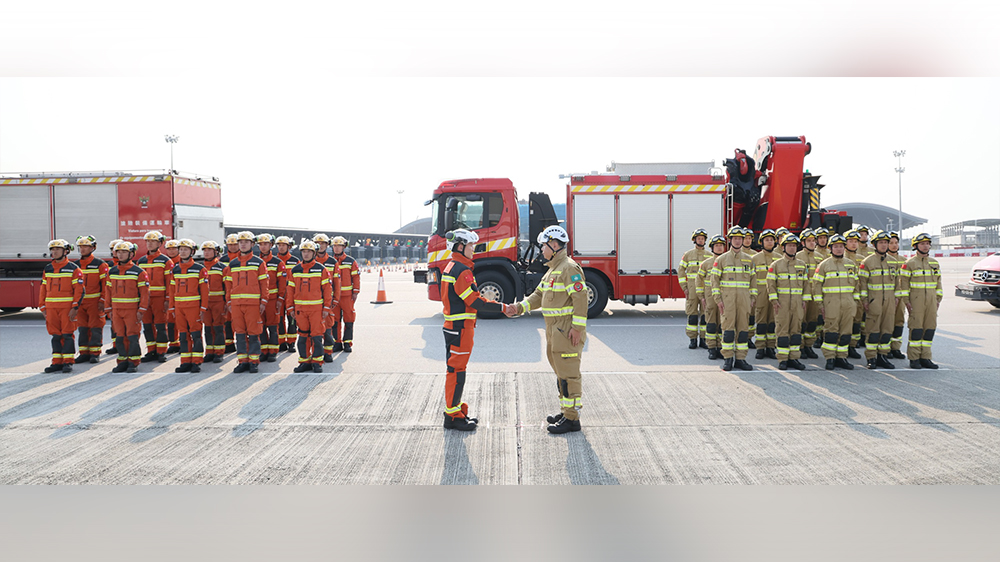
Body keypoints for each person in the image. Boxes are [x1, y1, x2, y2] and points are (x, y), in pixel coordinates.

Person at [508, 225, 588, 434]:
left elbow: (581, 299)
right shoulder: (553, 270)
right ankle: (566, 411)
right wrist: (518, 308)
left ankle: (572, 419)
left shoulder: (569, 268)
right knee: (561, 373)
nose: (541, 250)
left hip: (566, 330)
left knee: (569, 375)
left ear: (554, 245)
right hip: (554, 331)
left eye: (543, 245)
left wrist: (578, 328)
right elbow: (538, 296)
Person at [438, 229, 505, 431]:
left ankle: (456, 410)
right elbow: (476, 302)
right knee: (456, 371)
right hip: (461, 329)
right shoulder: (462, 271)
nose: (473, 250)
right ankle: (452, 416)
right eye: (470, 246)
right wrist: (503, 308)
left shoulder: (451, 266)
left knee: (455, 369)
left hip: (453, 328)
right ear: (460, 246)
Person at [223, 231, 269, 373]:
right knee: (240, 333)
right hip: (236, 304)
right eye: (240, 242)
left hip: (253, 304)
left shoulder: (259, 262)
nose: (242, 244)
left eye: (246, 242)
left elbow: (264, 284)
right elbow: (228, 285)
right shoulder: (233, 263)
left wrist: (263, 301)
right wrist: (229, 302)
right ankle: (242, 361)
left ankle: (254, 361)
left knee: (254, 333)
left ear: (252, 244)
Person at [286, 240, 335, 372]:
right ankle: (304, 362)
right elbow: (290, 290)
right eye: (303, 251)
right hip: (300, 311)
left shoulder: (321, 269)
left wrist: (326, 308)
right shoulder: (295, 270)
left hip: (316, 310)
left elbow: (327, 290)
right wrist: (290, 307)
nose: (306, 254)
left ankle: (317, 362)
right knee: (302, 337)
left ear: (314, 253)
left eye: (308, 252)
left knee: (317, 337)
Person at [812, 234, 859, 370]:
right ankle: (830, 358)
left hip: (848, 304)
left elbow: (856, 285)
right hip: (831, 304)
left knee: (845, 332)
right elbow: (816, 285)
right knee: (831, 331)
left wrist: (855, 302)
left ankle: (841, 357)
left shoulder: (851, 265)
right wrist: (820, 304)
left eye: (841, 246)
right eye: (836, 246)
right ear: (830, 248)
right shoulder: (824, 265)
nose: (839, 249)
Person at [711, 226, 754, 371]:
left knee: (743, 331)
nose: (737, 241)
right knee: (728, 331)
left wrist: (752, 298)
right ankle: (728, 359)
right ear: (730, 240)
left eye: (739, 238)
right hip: (727, 301)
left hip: (744, 301)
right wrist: (718, 300)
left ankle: (740, 359)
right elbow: (714, 281)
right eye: (734, 238)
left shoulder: (749, 260)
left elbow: (753, 281)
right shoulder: (721, 259)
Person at [896, 232, 942, 369]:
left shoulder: (934, 263)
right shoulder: (909, 264)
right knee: (916, 329)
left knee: (929, 329)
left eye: (927, 244)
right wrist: (907, 301)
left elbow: (938, 283)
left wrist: (938, 299)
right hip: (915, 301)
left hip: (932, 302)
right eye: (922, 244)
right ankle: (914, 358)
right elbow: (903, 284)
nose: (925, 246)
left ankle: (926, 357)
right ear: (915, 246)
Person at [39, 239, 85, 373]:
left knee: (67, 335)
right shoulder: (48, 268)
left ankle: (68, 362)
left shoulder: (74, 269)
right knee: (55, 336)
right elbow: (43, 288)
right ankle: (56, 362)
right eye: (52, 250)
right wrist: (42, 307)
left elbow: (79, 290)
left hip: (67, 308)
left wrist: (75, 307)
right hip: (51, 308)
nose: (54, 252)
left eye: (57, 249)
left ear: (66, 251)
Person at [105, 241, 149, 372]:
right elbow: (107, 292)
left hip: (132, 310)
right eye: (118, 252)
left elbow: (145, 294)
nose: (121, 254)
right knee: (119, 337)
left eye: (124, 252)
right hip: (117, 310)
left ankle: (133, 362)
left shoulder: (139, 272)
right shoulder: (112, 272)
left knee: (132, 336)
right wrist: (108, 309)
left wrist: (141, 310)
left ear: (131, 254)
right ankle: (122, 361)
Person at [767, 233, 808, 370]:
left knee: (796, 331)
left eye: (794, 246)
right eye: (789, 246)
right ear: (783, 247)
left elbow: (806, 285)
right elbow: (770, 284)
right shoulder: (776, 265)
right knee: (782, 331)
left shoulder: (802, 265)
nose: (792, 248)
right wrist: (774, 300)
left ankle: (794, 358)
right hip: (782, 304)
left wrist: (805, 301)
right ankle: (783, 359)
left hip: (797, 303)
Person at [857, 230, 897, 370]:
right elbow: (862, 283)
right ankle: (871, 357)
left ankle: (882, 356)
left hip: (889, 302)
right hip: (874, 301)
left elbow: (897, 283)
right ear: (874, 244)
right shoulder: (867, 262)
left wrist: (896, 298)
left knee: (887, 330)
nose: (884, 245)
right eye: (881, 243)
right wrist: (865, 300)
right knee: (873, 330)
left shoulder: (893, 262)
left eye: (886, 242)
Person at [168, 239, 209, 373]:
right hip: (179, 308)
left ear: (192, 251)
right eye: (181, 249)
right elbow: (172, 290)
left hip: (194, 307)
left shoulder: (200, 269)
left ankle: (196, 362)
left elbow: (204, 291)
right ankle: (185, 362)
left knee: (196, 334)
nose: (182, 252)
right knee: (183, 335)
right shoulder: (176, 269)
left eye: (185, 249)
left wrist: (203, 308)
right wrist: (172, 307)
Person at [73, 235, 109, 364]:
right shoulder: (75, 265)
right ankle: (84, 352)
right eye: (81, 246)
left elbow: (105, 284)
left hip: (95, 302)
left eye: (86, 246)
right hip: (80, 303)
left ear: (93, 248)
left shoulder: (100, 264)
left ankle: (95, 353)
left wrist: (103, 301)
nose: (82, 249)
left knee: (95, 327)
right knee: (82, 327)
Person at [137, 230, 171, 362]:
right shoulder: (141, 261)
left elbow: (169, 282)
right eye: (148, 241)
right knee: (147, 325)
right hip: (145, 299)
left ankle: (161, 351)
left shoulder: (165, 261)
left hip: (160, 298)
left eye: (153, 241)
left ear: (160, 243)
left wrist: (168, 299)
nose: (150, 244)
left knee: (161, 325)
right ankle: (151, 351)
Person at [256, 233, 287, 363]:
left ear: (271, 245)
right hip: (258, 300)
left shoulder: (277, 263)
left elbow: (283, 283)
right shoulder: (255, 262)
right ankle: (264, 351)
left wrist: (280, 299)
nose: (263, 247)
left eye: (266, 244)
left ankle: (273, 351)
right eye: (261, 244)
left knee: (273, 327)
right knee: (261, 327)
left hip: (273, 300)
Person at [697, 234, 727, 360]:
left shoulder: (728, 262)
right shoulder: (706, 263)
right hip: (710, 297)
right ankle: (711, 348)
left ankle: (720, 348)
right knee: (711, 323)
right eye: (716, 246)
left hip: (724, 297)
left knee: (722, 324)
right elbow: (698, 280)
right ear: (712, 247)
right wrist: (701, 296)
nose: (719, 248)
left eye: (721, 245)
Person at [678, 228, 710, 349]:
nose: (701, 240)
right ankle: (692, 339)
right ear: (694, 240)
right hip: (691, 289)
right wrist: (684, 287)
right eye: (699, 238)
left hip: (705, 290)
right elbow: (681, 271)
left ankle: (703, 339)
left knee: (704, 315)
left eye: (702, 239)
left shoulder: (710, 255)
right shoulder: (688, 255)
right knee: (692, 315)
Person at [312, 233, 341, 361]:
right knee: (314, 329)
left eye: (322, 243)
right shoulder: (310, 261)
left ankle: (328, 353)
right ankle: (316, 353)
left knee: (328, 327)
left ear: (327, 245)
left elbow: (337, 283)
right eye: (317, 244)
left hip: (327, 300)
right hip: (313, 301)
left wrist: (335, 299)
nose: (320, 246)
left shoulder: (332, 262)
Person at [751, 229, 779, 359]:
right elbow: (750, 279)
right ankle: (760, 348)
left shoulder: (779, 259)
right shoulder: (755, 259)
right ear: (761, 242)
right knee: (761, 322)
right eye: (767, 240)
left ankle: (770, 347)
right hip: (760, 295)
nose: (769, 242)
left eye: (771, 240)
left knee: (773, 322)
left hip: (775, 295)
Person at [331, 235, 361, 352]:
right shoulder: (331, 261)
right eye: (335, 246)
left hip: (347, 296)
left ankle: (347, 342)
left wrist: (356, 292)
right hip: (334, 297)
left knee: (349, 319)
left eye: (339, 246)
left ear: (344, 247)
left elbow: (356, 277)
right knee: (335, 320)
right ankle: (336, 342)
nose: (337, 248)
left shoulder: (350, 261)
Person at [795, 229, 822, 359]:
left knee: (812, 322)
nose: (812, 243)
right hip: (801, 295)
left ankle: (808, 346)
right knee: (801, 322)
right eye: (809, 241)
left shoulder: (819, 258)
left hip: (814, 295)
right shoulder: (798, 257)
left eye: (813, 241)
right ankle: (800, 347)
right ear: (803, 242)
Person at [200, 241, 227, 363]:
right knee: (207, 328)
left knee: (218, 327)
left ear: (216, 252)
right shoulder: (200, 267)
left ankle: (219, 352)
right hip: (205, 303)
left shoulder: (222, 268)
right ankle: (209, 351)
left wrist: (227, 302)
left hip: (218, 302)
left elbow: (227, 286)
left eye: (209, 250)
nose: (206, 252)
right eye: (205, 250)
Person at [275, 236, 301, 352]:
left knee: (292, 319)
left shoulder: (295, 261)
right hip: (278, 295)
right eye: (279, 245)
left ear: (289, 247)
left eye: (283, 245)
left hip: (292, 295)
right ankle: (281, 343)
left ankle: (291, 343)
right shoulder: (274, 261)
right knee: (279, 320)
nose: (281, 248)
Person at [844, 230, 866, 357]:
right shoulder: (841, 257)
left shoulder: (862, 260)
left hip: (858, 296)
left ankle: (852, 346)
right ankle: (843, 347)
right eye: (850, 241)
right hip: (844, 295)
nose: (853, 244)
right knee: (844, 322)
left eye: (855, 241)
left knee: (857, 321)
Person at [886, 231, 907, 360]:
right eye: (891, 243)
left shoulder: (904, 261)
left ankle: (896, 347)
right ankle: (886, 348)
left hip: (901, 297)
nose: (894, 245)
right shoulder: (884, 260)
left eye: (896, 243)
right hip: (888, 296)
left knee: (899, 322)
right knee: (887, 323)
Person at [104, 238, 125, 355]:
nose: (116, 252)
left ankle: (122, 347)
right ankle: (115, 345)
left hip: (125, 301)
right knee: (114, 325)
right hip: (114, 300)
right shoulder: (110, 266)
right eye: (113, 250)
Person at [162, 239, 182, 354]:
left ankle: (184, 344)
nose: (171, 251)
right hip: (169, 295)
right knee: (170, 322)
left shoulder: (182, 262)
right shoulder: (166, 262)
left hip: (180, 295)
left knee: (181, 322)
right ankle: (174, 343)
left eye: (174, 248)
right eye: (169, 249)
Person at [221, 233, 240, 353]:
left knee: (239, 320)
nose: (232, 247)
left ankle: (243, 344)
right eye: (230, 244)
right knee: (227, 320)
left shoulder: (243, 259)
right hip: (226, 292)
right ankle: (229, 343)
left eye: (235, 244)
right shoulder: (223, 260)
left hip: (240, 293)